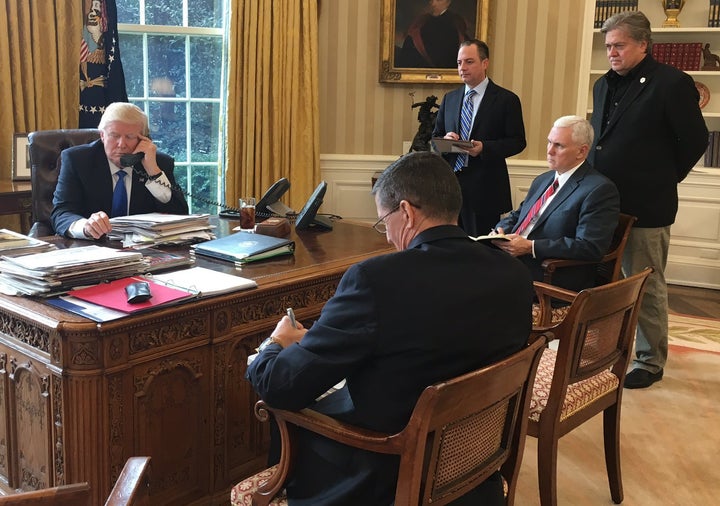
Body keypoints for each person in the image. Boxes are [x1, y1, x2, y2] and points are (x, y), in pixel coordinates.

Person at [246, 151, 534, 505]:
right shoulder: (514, 274)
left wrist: (276, 343)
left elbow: (279, 388)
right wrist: (325, 342)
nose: (386, 237)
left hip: (386, 476)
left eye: (384, 222)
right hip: (472, 467)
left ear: (407, 212)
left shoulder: (375, 281)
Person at [588, 11, 708, 389]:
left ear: (643, 44)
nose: (612, 53)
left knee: (645, 282)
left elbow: (695, 140)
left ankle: (649, 360)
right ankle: (607, 348)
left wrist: (663, 176)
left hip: (647, 204)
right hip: (603, 199)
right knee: (605, 281)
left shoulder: (672, 83)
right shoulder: (603, 85)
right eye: (608, 46)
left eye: (619, 45)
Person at [492, 116, 620, 292]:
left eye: (558, 145)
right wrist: (500, 231)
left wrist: (531, 247)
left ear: (582, 152)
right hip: (512, 260)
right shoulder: (544, 179)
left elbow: (590, 247)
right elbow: (519, 215)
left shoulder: (599, 189)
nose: (549, 151)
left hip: (548, 274)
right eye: (549, 142)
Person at [51, 102, 188, 239]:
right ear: (103, 136)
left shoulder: (158, 162)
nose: (121, 144)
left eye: (130, 137)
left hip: (144, 249)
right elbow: (61, 213)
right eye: (114, 135)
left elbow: (180, 214)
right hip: (95, 247)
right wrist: (86, 226)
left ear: (144, 140)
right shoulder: (78, 160)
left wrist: (153, 171)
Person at [433, 39, 526, 237]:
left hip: (485, 189)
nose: (462, 68)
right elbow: (434, 140)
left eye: (469, 62)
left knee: (480, 251)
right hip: (450, 189)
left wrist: (484, 148)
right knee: (449, 248)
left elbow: (518, 141)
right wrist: (446, 139)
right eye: (459, 63)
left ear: (485, 63)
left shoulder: (506, 100)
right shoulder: (450, 98)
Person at [396, 0, 470, 68]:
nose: (433, 3)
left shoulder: (457, 23)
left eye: (438, 0)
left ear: (448, 2)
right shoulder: (421, 22)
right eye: (431, 0)